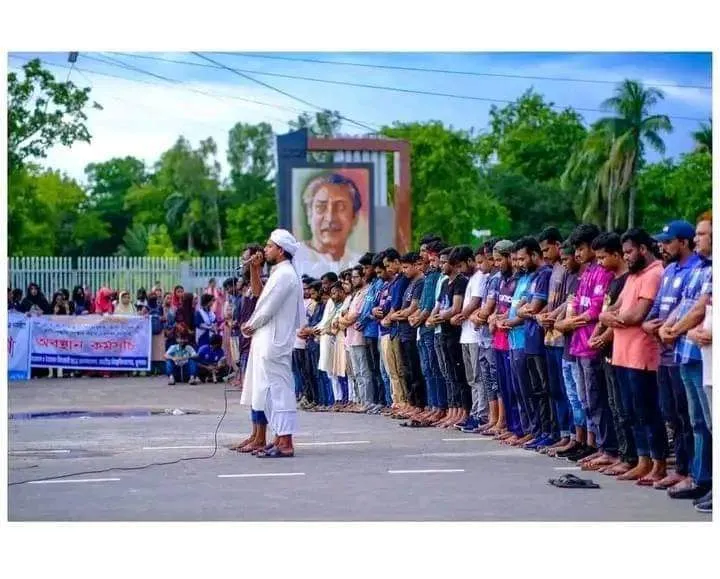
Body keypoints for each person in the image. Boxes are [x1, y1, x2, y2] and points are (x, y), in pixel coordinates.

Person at [600, 228, 666, 485]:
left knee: (647, 411)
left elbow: (636, 316)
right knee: (630, 410)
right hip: (622, 355)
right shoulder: (632, 276)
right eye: (624, 252)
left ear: (643, 249)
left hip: (642, 355)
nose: (626, 257)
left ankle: (658, 463)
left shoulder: (654, 274)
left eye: (629, 251)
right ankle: (642, 461)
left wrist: (611, 318)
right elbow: (614, 309)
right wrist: (612, 316)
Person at [658, 217, 713, 506]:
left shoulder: (705, 270)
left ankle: (705, 479)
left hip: (700, 353)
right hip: (686, 352)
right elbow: (685, 304)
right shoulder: (699, 271)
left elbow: (701, 308)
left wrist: (675, 330)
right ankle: (700, 476)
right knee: (697, 421)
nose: (697, 239)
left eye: (703, 234)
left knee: (707, 422)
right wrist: (666, 326)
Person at [642, 220, 699, 490]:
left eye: (668, 241)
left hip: (682, 353)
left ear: (684, 242)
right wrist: (649, 325)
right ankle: (682, 469)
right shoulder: (669, 270)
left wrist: (669, 330)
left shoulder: (695, 270)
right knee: (672, 414)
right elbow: (654, 311)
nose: (662, 246)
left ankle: (692, 471)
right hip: (662, 353)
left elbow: (689, 309)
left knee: (689, 417)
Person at [240, 229, 306, 459]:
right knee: (269, 391)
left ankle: (286, 441)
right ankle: (279, 437)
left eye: (269, 246)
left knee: (280, 391)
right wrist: (254, 269)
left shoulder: (285, 275)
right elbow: (262, 298)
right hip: (268, 338)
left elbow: (268, 308)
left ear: (280, 250)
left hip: (275, 340)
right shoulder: (279, 272)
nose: (265, 250)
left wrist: (250, 324)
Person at [564, 224, 618, 464]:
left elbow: (596, 310)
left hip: (592, 345)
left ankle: (608, 448)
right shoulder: (586, 273)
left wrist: (570, 322)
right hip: (578, 344)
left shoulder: (603, 272)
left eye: (581, 248)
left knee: (597, 400)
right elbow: (577, 304)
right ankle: (596, 445)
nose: (577, 253)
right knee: (585, 400)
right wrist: (570, 319)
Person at [585, 232, 634, 475]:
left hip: (622, 350)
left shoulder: (627, 280)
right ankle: (617, 452)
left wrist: (602, 337)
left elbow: (620, 319)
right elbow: (606, 313)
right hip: (606, 351)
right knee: (613, 404)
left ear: (616, 254)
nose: (600, 262)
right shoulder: (614, 280)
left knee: (624, 406)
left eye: (603, 257)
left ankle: (628, 455)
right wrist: (596, 334)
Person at [294, 173, 364, 279]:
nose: (330, 218)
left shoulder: (361, 264)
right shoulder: (293, 258)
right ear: (309, 214)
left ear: (354, 217)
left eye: (341, 207)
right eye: (321, 207)